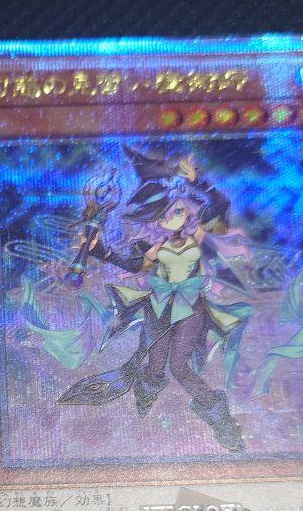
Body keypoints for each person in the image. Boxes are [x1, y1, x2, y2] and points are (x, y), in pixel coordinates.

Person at [59, 147, 249, 451]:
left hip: (190, 308)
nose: (174, 216)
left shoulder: (197, 234)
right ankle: (144, 404)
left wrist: (199, 181)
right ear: (156, 219)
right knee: (154, 366)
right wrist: (98, 250)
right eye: (165, 214)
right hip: (159, 308)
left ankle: (222, 423)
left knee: (179, 367)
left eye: (178, 210)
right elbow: (133, 265)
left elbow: (220, 204)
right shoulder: (154, 246)